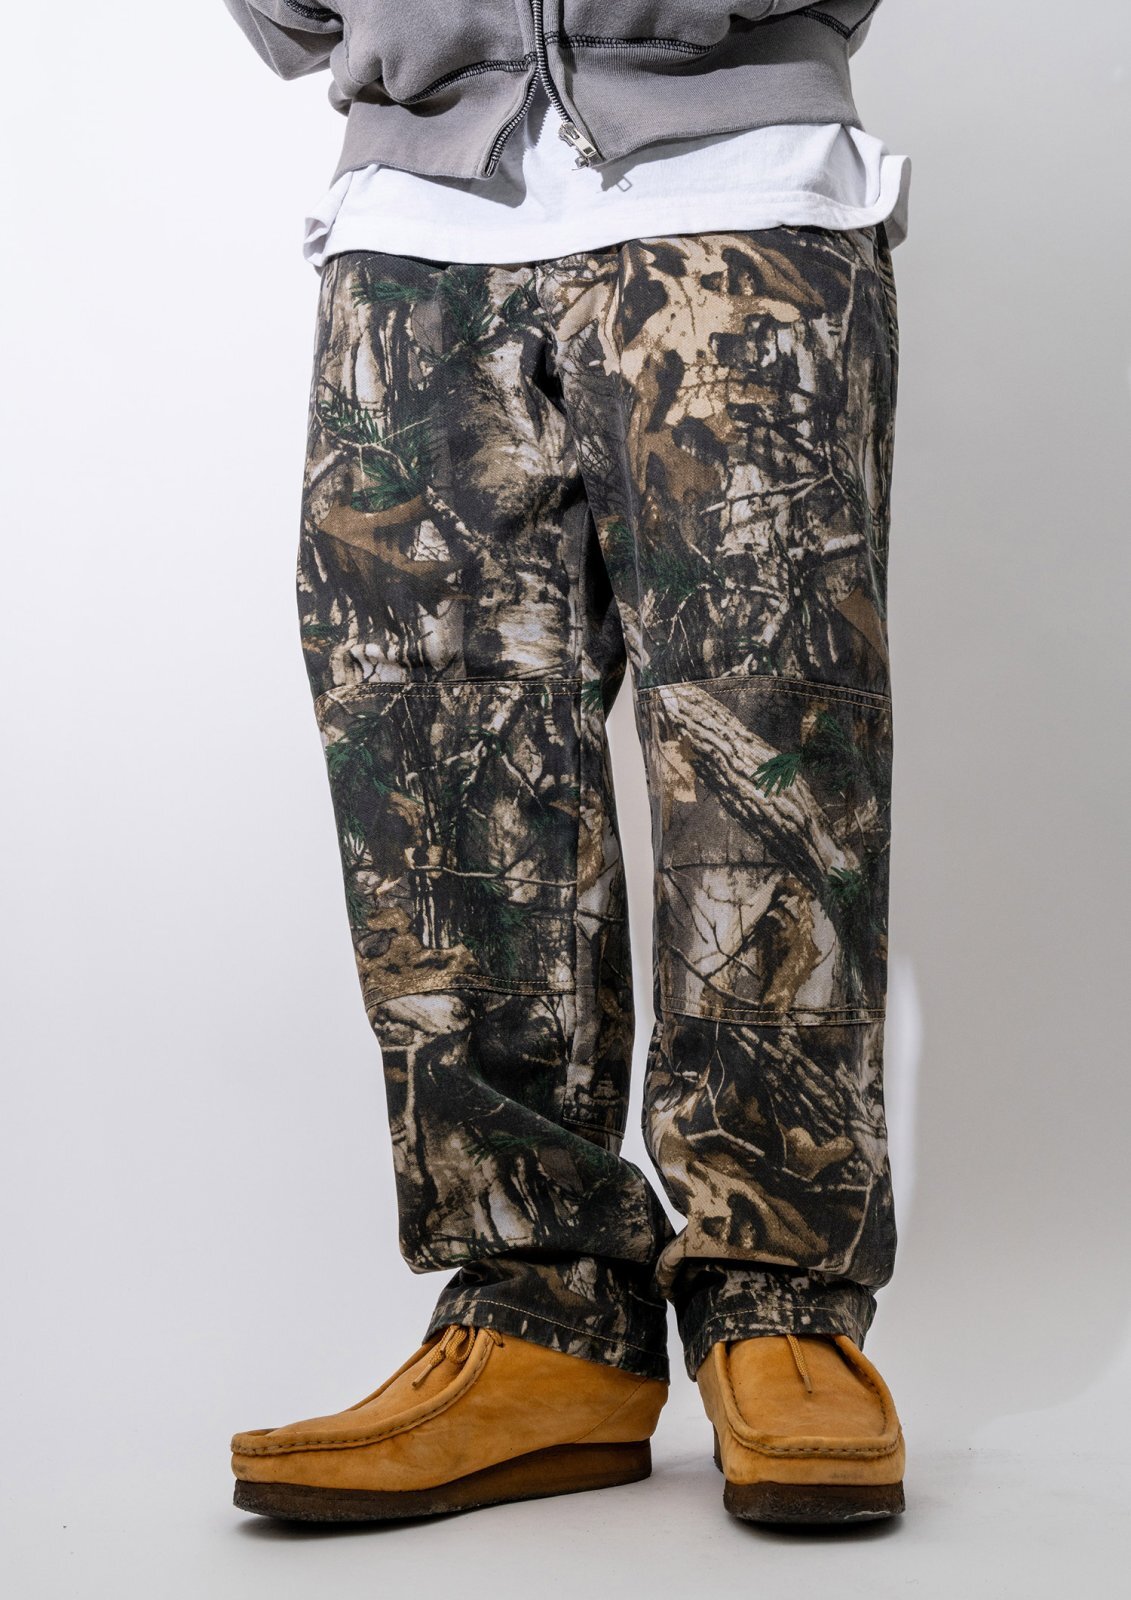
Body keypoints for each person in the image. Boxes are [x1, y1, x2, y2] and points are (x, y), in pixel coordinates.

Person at [221, 0, 910, 1528]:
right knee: (437, 784)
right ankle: (541, 1318)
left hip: (742, 189)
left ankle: (782, 1304)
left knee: (772, 766)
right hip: (415, 220)